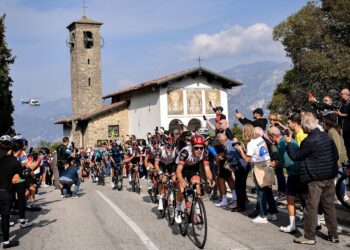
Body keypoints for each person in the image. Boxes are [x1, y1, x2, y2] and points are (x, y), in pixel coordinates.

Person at [286, 113, 339, 245]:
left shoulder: (308, 141)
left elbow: (296, 156)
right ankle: (334, 235)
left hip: (315, 178)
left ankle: (309, 237)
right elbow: (336, 155)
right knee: (329, 207)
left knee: (311, 207)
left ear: (306, 127)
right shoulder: (326, 137)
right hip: (329, 176)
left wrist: (288, 143)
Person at [235, 124, 278, 223]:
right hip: (268, 165)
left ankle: (263, 216)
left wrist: (241, 150)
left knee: (261, 192)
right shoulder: (260, 140)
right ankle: (273, 213)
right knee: (268, 191)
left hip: (259, 167)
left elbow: (247, 159)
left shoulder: (251, 143)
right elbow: (256, 153)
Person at [174, 135, 213, 224]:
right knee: (181, 188)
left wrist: (210, 179)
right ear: (192, 146)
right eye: (196, 148)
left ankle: (198, 211)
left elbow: (207, 168)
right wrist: (182, 180)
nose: (199, 150)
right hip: (181, 168)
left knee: (197, 183)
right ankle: (178, 209)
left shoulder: (205, 152)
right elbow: (179, 170)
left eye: (201, 147)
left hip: (193, 167)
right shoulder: (185, 152)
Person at [268, 126, 300, 233]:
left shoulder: (281, 144)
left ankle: (292, 225)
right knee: (305, 199)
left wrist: (276, 164)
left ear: (273, 136)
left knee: (290, 200)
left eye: (269, 135)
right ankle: (316, 223)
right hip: (301, 171)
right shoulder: (288, 139)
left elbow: (287, 162)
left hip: (294, 173)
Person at [0, 140, 27, 248]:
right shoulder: (16, 162)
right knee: (5, 217)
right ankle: (6, 242)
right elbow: (23, 175)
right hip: (5, 192)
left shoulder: (2, 159)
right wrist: (27, 168)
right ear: (19, 150)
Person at [214, 133, 237, 208]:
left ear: (220, 140)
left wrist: (218, 169)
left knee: (221, 180)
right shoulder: (230, 142)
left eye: (218, 140)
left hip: (225, 165)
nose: (218, 142)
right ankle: (234, 197)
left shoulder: (223, 145)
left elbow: (217, 158)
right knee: (230, 179)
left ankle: (224, 200)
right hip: (229, 164)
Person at [334, 88, 350, 159]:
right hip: (344, 129)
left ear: (347, 94)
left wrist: (341, 115)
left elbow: (346, 114)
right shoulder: (343, 104)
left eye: (342, 94)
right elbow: (340, 113)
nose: (341, 95)